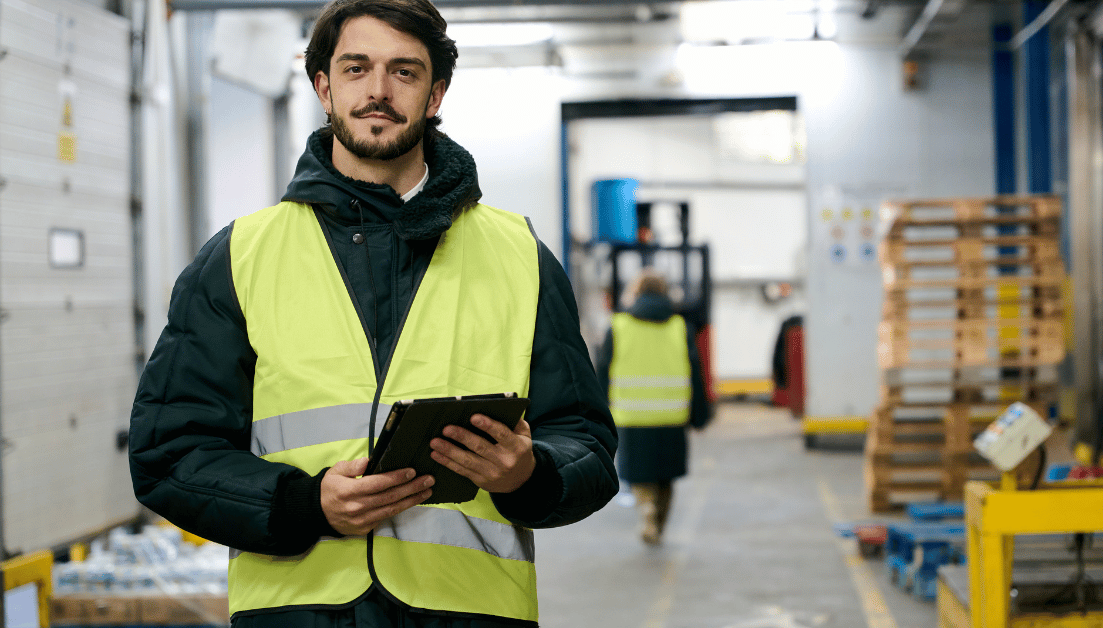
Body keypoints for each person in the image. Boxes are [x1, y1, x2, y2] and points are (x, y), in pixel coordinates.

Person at [127, 0, 618, 626]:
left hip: (468, 614)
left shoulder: (520, 257)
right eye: (356, 69)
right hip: (299, 617)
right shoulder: (240, 257)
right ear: (323, 87)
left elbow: (588, 448)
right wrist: (306, 505)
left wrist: (530, 473)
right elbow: (169, 453)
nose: (378, 91)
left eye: (405, 72)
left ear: (436, 93)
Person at [596, 269, 710, 546]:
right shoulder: (680, 328)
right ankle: (659, 520)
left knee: (640, 473)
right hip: (672, 415)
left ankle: (646, 508)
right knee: (666, 475)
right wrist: (700, 415)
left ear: (636, 293)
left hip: (632, 416)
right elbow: (695, 373)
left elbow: (602, 372)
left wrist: (597, 414)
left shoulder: (619, 326)